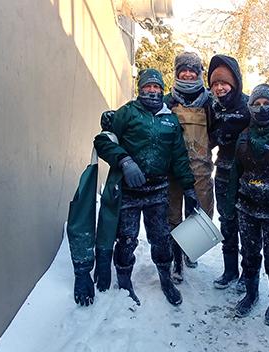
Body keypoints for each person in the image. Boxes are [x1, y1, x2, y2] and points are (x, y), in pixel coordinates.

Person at [92, 68, 199, 306]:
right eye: (147, 87)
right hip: (130, 192)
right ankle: (125, 282)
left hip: (157, 192)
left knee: (161, 238)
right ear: (140, 89)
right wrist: (125, 161)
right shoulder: (127, 113)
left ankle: (165, 279)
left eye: (156, 87)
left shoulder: (170, 120)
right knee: (127, 238)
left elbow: (179, 158)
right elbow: (103, 140)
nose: (152, 91)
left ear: (162, 90)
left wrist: (189, 188)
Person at [225, 84, 269, 325]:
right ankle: (251, 294)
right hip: (247, 207)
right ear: (250, 107)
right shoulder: (244, 135)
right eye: (257, 104)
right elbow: (235, 172)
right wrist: (229, 205)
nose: (262, 108)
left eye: (267, 104)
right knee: (250, 254)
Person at [163, 52, 215, 284]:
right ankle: (176, 261)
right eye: (183, 70)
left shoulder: (210, 102)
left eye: (192, 70)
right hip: (172, 171)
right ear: (176, 73)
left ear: (199, 73)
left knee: (199, 214)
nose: (187, 73)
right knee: (172, 215)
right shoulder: (167, 102)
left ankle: (189, 251)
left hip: (200, 170)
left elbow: (217, 131)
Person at [207, 54, 250, 291]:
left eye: (223, 83)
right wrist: (215, 138)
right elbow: (208, 136)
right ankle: (230, 269)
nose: (220, 88)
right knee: (227, 223)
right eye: (214, 84)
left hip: (245, 176)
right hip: (222, 173)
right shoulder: (213, 107)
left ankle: (247, 273)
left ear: (234, 83)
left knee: (246, 225)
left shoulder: (249, 105)